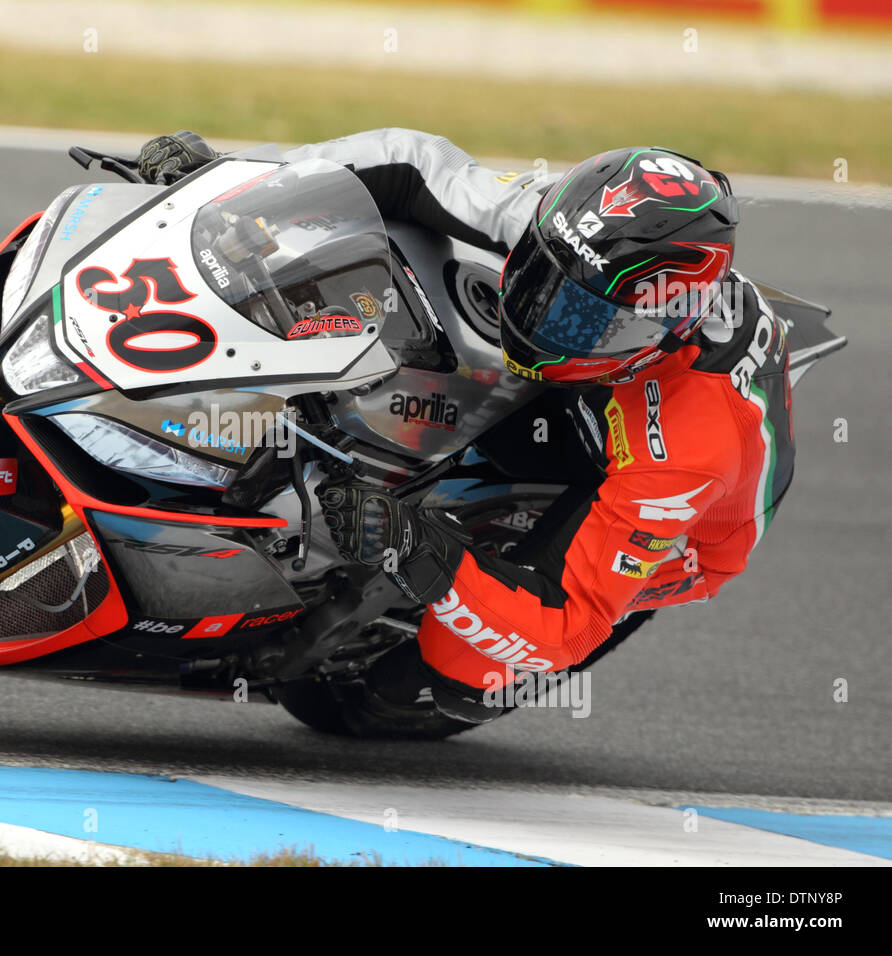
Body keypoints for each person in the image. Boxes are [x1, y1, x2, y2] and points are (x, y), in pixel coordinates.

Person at [136, 129, 795, 729]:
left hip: (672, 516)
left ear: (664, 328)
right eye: (543, 280)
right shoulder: (580, 231)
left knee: (450, 678)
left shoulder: (689, 449)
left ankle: (408, 664)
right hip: (591, 387)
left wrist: (413, 545)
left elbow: (565, 623)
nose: (546, 321)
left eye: (588, 322)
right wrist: (241, 182)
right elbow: (413, 163)